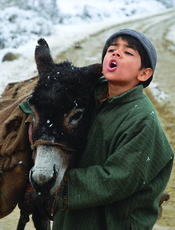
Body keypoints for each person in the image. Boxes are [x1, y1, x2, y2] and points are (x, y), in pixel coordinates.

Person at [52, 29, 174, 230]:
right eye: (111, 49)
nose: (116, 53)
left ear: (144, 73)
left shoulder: (142, 119)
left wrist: (59, 187)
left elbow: (116, 179)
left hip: (114, 222)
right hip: (72, 219)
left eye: (128, 53)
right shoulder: (87, 97)